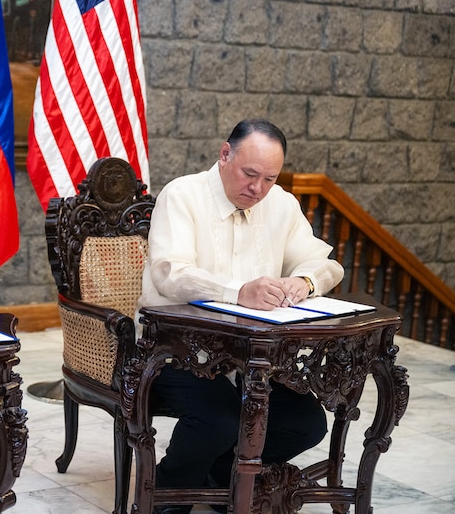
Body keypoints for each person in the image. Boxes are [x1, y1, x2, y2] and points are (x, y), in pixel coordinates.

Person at [137, 119, 344, 514]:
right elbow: (170, 273)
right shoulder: (182, 195)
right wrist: (238, 292)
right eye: (250, 175)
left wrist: (304, 280)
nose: (258, 189)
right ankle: (168, 491)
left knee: (307, 424)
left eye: (269, 178)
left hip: (254, 356)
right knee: (222, 418)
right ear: (224, 154)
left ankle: (221, 475)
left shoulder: (280, 202)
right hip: (179, 348)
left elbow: (325, 263)